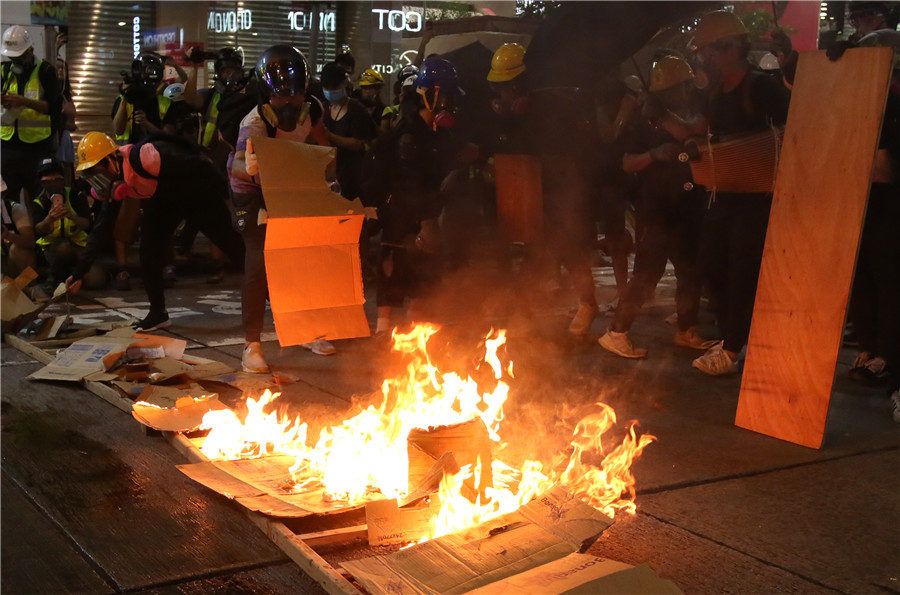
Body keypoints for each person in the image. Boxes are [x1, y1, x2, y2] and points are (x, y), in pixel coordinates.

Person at [684, 10, 791, 375]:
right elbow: (701, 130)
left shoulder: (763, 88)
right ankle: (734, 336)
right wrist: (664, 119)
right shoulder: (715, 92)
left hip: (757, 198)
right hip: (722, 194)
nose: (705, 59)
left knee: (743, 270)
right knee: (712, 264)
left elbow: (795, 131)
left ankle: (732, 349)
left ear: (729, 49)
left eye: (709, 51)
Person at [598, 56, 715, 358]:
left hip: (686, 202)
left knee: (690, 270)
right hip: (655, 205)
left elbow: (697, 131)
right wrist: (654, 153)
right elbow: (627, 163)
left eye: (685, 86)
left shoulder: (687, 113)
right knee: (648, 273)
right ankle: (617, 331)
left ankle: (687, 329)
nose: (683, 92)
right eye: (677, 88)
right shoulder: (642, 121)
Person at [68, 131, 244, 332]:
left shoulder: (146, 157)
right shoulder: (117, 181)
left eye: (98, 171)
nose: (98, 180)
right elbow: (102, 229)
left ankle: (276, 300)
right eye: (91, 175)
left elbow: (203, 166)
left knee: (236, 249)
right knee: (148, 252)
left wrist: (233, 199)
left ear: (112, 159)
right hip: (163, 199)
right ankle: (158, 313)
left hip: (197, 195)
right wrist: (79, 273)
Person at [229, 45, 334, 374]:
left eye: (295, 95)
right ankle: (251, 346)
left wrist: (327, 183)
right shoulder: (254, 123)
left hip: (288, 185)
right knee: (259, 262)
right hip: (252, 193)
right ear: (266, 95)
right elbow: (238, 168)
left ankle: (304, 331)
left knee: (303, 259)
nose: (289, 104)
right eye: (281, 97)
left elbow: (322, 145)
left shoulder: (313, 109)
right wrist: (258, 167)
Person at [363, 57, 463, 337]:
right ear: (430, 95)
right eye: (445, 96)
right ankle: (384, 332)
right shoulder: (410, 135)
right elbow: (409, 183)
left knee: (425, 271)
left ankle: (415, 330)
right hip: (400, 212)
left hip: (423, 213)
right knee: (394, 266)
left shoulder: (437, 134)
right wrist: (426, 221)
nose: (449, 103)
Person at [837, 1, 900, 420]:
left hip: (891, 211)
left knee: (892, 289)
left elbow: (883, 168)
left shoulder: (892, 106)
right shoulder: (874, 104)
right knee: (871, 284)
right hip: (872, 212)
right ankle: (877, 354)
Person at [1, 25, 61, 205]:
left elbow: (53, 108)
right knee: (8, 199)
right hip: (8, 146)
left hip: (37, 148)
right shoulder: (4, 71)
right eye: (12, 57)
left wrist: (24, 102)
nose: (16, 61)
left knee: (40, 199)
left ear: (30, 50)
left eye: (19, 56)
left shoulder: (46, 71)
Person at [29, 158, 102, 291]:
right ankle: (55, 275)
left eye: (56, 180)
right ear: (41, 183)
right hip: (54, 249)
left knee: (96, 279)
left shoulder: (76, 196)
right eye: (47, 182)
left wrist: (71, 216)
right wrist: (49, 218)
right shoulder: (39, 201)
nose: (53, 185)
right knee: (63, 246)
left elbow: (87, 224)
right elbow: (38, 229)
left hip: (79, 246)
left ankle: (73, 274)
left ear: (63, 180)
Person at [112, 53, 176, 144]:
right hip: (127, 155)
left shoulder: (165, 103)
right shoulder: (123, 99)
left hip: (155, 155)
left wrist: (146, 124)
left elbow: (169, 136)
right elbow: (118, 130)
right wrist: (126, 96)